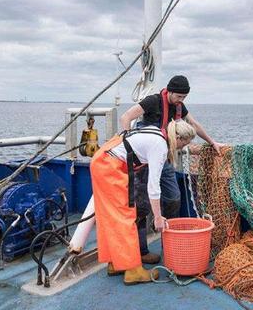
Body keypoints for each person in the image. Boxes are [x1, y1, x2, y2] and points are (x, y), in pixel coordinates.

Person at [120, 75, 224, 263]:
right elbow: (126, 117)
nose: (181, 101)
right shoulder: (152, 101)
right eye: (179, 97)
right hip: (142, 160)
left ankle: (167, 239)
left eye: (184, 98)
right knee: (141, 206)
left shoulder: (179, 107)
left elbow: (194, 125)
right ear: (169, 91)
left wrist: (212, 142)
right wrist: (129, 146)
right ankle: (142, 251)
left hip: (164, 157)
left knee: (173, 197)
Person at [90, 119, 196, 285]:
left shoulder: (156, 131)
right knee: (126, 217)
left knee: (111, 217)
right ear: (179, 138)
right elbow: (153, 187)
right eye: (184, 144)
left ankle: (115, 263)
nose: (182, 148)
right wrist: (159, 217)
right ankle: (132, 270)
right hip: (110, 167)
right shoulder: (160, 147)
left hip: (103, 161)